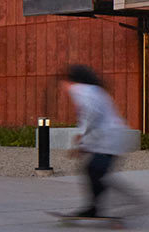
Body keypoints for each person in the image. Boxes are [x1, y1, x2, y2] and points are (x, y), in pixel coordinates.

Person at [59, 64, 139, 218]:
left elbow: (90, 114)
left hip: (109, 139)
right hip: (114, 137)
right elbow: (96, 118)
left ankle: (128, 201)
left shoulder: (80, 90)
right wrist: (84, 144)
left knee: (95, 171)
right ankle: (100, 206)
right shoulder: (95, 90)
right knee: (95, 171)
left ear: (71, 80)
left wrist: (81, 136)